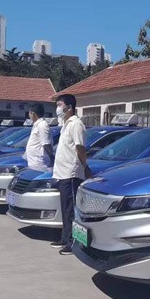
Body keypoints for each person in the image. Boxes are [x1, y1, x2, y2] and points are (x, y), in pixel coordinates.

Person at [51, 94, 91, 255]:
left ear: (69, 107)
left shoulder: (76, 124)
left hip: (71, 173)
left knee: (72, 210)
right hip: (62, 173)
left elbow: (80, 148)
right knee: (65, 208)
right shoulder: (65, 124)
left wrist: (84, 166)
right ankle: (65, 237)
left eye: (60, 105)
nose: (58, 108)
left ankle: (74, 242)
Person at [26, 104, 54, 172]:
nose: (29, 116)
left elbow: (46, 143)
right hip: (33, 162)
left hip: (39, 162)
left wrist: (51, 157)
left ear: (33, 114)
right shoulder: (36, 125)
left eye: (29, 113)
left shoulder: (42, 125)